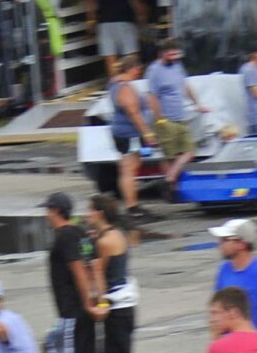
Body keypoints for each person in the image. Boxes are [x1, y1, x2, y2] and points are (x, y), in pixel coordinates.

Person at [87, 194, 162, 353]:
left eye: (90, 211)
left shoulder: (105, 242)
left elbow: (100, 275)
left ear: (99, 213)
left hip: (115, 308)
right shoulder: (116, 234)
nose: (87, 215)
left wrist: (95, 295)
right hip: (125, 306)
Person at [43, 191, 103, 353]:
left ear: (56, 211)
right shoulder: (80, 233)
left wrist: (87, 302)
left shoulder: (65, 236)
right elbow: (94, 265)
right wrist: (97, 299)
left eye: (48, 210)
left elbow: (78, 269)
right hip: (84, 312)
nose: (46, 215)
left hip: (71, 312)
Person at [146, 40, 203, 196]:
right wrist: (159, 119)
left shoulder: (177, 66)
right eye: (171, 53)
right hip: (166, 119)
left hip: (180, 116)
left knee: (189, 151)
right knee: (169, 156)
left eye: (175, 53)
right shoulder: (154, 70)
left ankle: (169, 178)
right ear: (162, 54)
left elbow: (185, 86)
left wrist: (197, 104)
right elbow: (152, 96)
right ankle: (172, 190)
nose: (174, 56)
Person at [107, 57, 155, 217]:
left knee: (128, 167)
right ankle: (131, 207)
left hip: (124, 132)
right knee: (129, 169)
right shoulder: (125, 87)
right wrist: (146, 132)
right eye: (138, 70)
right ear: (131, 69)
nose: (139, 73)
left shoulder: (115, 84)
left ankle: (132, 205)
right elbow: (133, 112)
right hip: (129, 133)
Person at [95, 0, 145, 78]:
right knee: (132, 61)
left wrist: (90, 20)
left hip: (105, 23)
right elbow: (136, 5)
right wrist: (142, 19)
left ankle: (116, 86)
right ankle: (133, 85)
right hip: (125, 22)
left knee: (112, 64)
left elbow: (91, 3)